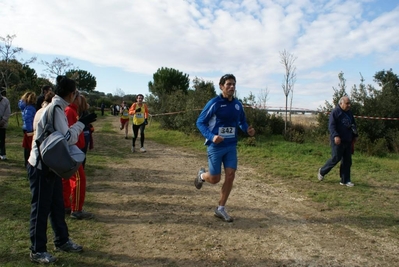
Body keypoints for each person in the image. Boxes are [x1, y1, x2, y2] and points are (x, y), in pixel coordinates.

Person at [27, 75, 97, 263]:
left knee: (57, 205)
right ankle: (37, 250)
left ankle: (62, 240)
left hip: (50, 166)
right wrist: (82, 123)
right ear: (72, 94)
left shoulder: (51, 107)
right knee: (41, 209)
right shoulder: (57, 108)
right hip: (41, 166)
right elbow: (67, 137)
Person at [194, 74, 255, 222]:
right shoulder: (214, 103)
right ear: (221, 86)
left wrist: (247, 129)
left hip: (231, 145)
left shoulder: (237, 104)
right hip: (216, 146)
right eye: (228, 84)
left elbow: (241, 121)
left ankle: (220, 208)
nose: (232, 87)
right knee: (215, 179)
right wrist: (211, 136)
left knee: (230, 175)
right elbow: (200, 122)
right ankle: (202, 176)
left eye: (233, 84)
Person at [63, 92, 93, 220]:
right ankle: (76, 209)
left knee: (66, 179)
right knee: (79, 179)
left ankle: (65, 205)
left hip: (71, 149)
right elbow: (69, 134)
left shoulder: (72, 111)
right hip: (71, 150)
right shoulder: (70, 111)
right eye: (79, 96)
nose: (81, 99)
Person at [318, 96, 358, 187]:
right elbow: (331, 126)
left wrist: (355, 135)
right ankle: (322, 171)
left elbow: (353, 124)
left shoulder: (349, 113)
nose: (349, 105)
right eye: (347, 103)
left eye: (349, 103)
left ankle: (345, 180)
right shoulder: (335, 112)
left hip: (348, 140)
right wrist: (336, 136)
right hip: (338, 141)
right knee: (336, 158)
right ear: (341, 103)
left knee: (347, 161)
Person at [19, 92, 37, 167]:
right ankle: (28, 162)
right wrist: (30, 130)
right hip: (29, 129)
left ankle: (26, 162)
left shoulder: (25, 107)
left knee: (27, 147)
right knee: (29, 147)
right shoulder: (30, 108)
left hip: (26, 128)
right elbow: (28, 118)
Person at [0, 90, 11, 160]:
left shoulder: (5, 100)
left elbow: (8, 112)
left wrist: (3, 120)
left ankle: (2, 154)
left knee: (1, 139)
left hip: (2, 124)